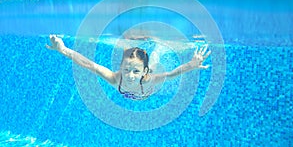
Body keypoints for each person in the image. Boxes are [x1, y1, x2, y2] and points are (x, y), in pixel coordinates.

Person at [46, 35, 211, 100]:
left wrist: (191, 64)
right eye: (126, 70)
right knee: (145, 63)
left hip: (147, 87)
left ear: (142, 72)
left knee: (152, 63)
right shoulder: (115, 78)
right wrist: (63, 49)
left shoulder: (148, 79)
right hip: (141, 85)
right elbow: (89, 64)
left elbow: (171, 75)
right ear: (120, 68)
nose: (130, 75)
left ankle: (159, 49)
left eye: (136, 71)